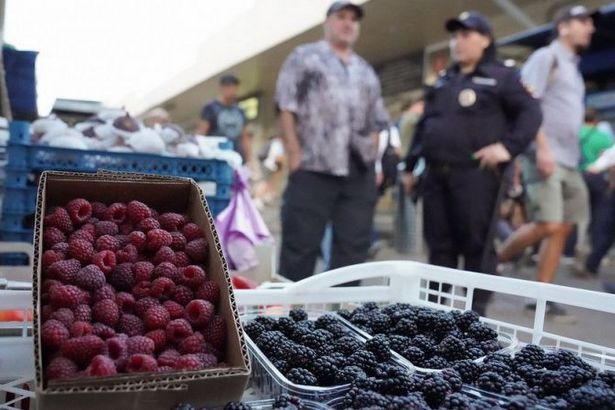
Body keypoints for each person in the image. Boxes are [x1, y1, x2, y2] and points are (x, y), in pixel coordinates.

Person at [402, 11, 542, 315]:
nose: (458, 42)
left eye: (466, 35)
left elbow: (531, 113)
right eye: (454, 36)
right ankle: (434, 313)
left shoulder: (502, 76)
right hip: (436, 176)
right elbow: (426, 124)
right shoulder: (444, 79)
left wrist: (507, 148)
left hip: (476, 176)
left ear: (485, 39)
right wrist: (410, 166)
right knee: (439, 247)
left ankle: (475, 316)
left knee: (476, 247)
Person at [275, 1, 388, 281]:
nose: (348, 23)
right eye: (341, 17)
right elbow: (286, 106)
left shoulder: (365, 70)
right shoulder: (304, 57)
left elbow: (377, 120)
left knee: (353, 250)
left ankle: (342, 317)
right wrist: (294, 153)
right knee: (300, 245)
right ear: (327, 22)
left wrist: (373, 160)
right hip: (314, 164)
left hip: (358, 168)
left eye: (353, 19)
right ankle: (287, 316)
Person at [498, 5, 596, 321]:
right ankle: (492, 260)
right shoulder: (546, 57)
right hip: (545, 156)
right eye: (583, 22)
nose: (590, 28)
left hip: (569, 160)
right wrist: (541, 149)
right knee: (548, 223)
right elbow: (526, 105)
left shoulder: (574, 67)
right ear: (564, 27)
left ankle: (541, 298)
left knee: (562, 229)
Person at [197, 74, 250, 162]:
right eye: (228, 87)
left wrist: (250, 160)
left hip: (236, 157)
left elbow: (245, 137)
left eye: (233, 87)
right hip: (215, 156)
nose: (231, 90)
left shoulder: (240, 111)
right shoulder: (210, 108)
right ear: (221, 88)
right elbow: (201, 133)